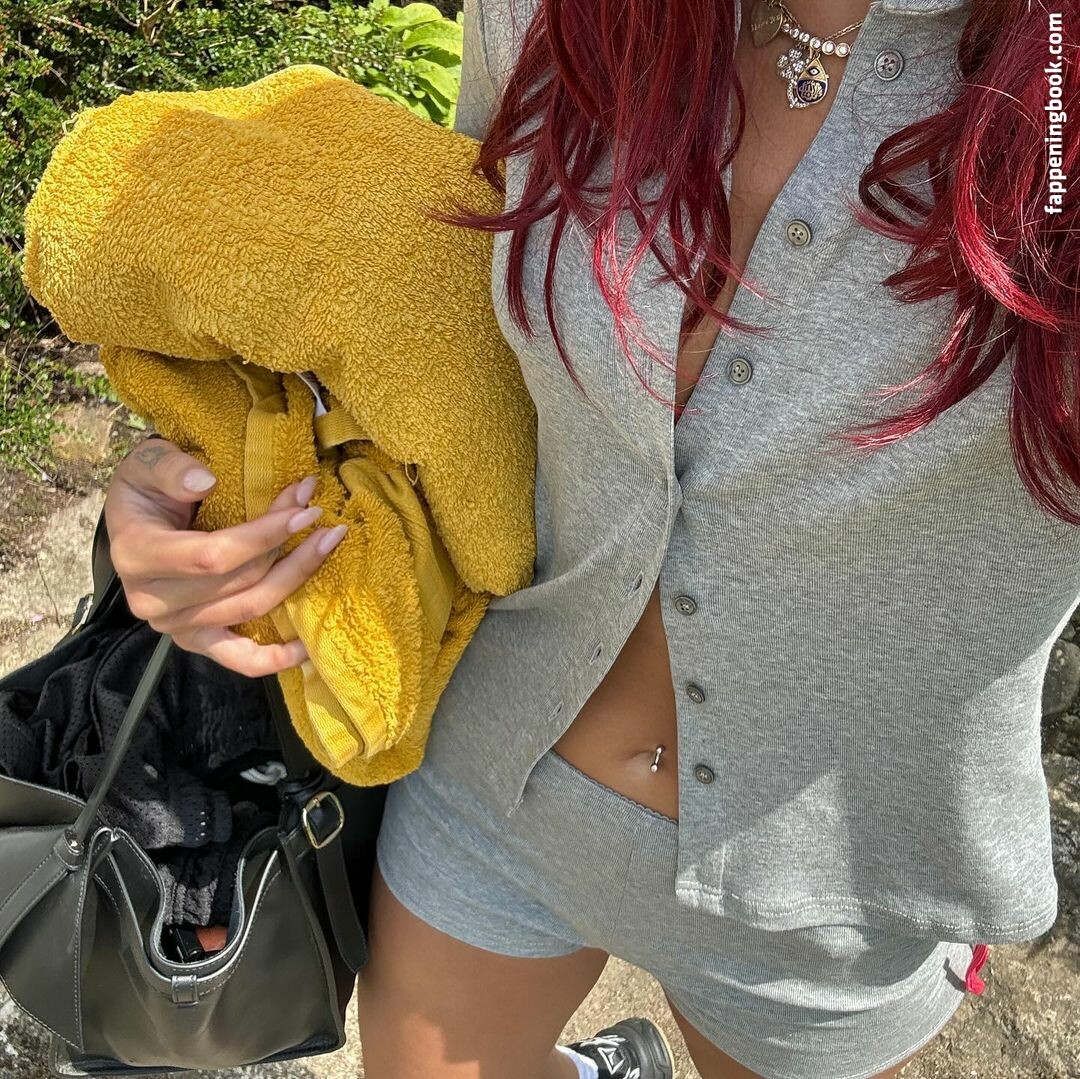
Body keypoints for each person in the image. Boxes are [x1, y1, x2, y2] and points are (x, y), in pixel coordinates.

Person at [103, 0, 1079, 1076]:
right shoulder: (551, 17)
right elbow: (444, 339)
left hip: (841, 887)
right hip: (496, 780)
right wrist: (205, 475)